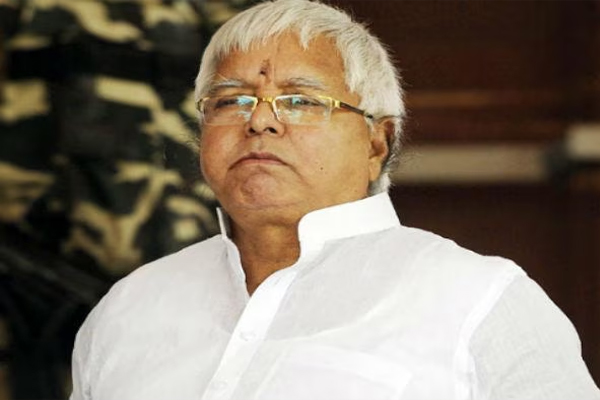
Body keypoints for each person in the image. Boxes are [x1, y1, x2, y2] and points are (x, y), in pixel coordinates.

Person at [69, 1, 600, 399]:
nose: (260, 120)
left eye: (301, 100)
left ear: (377, 142)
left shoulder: (478, 301)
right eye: (231, 100)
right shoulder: (130, 308)